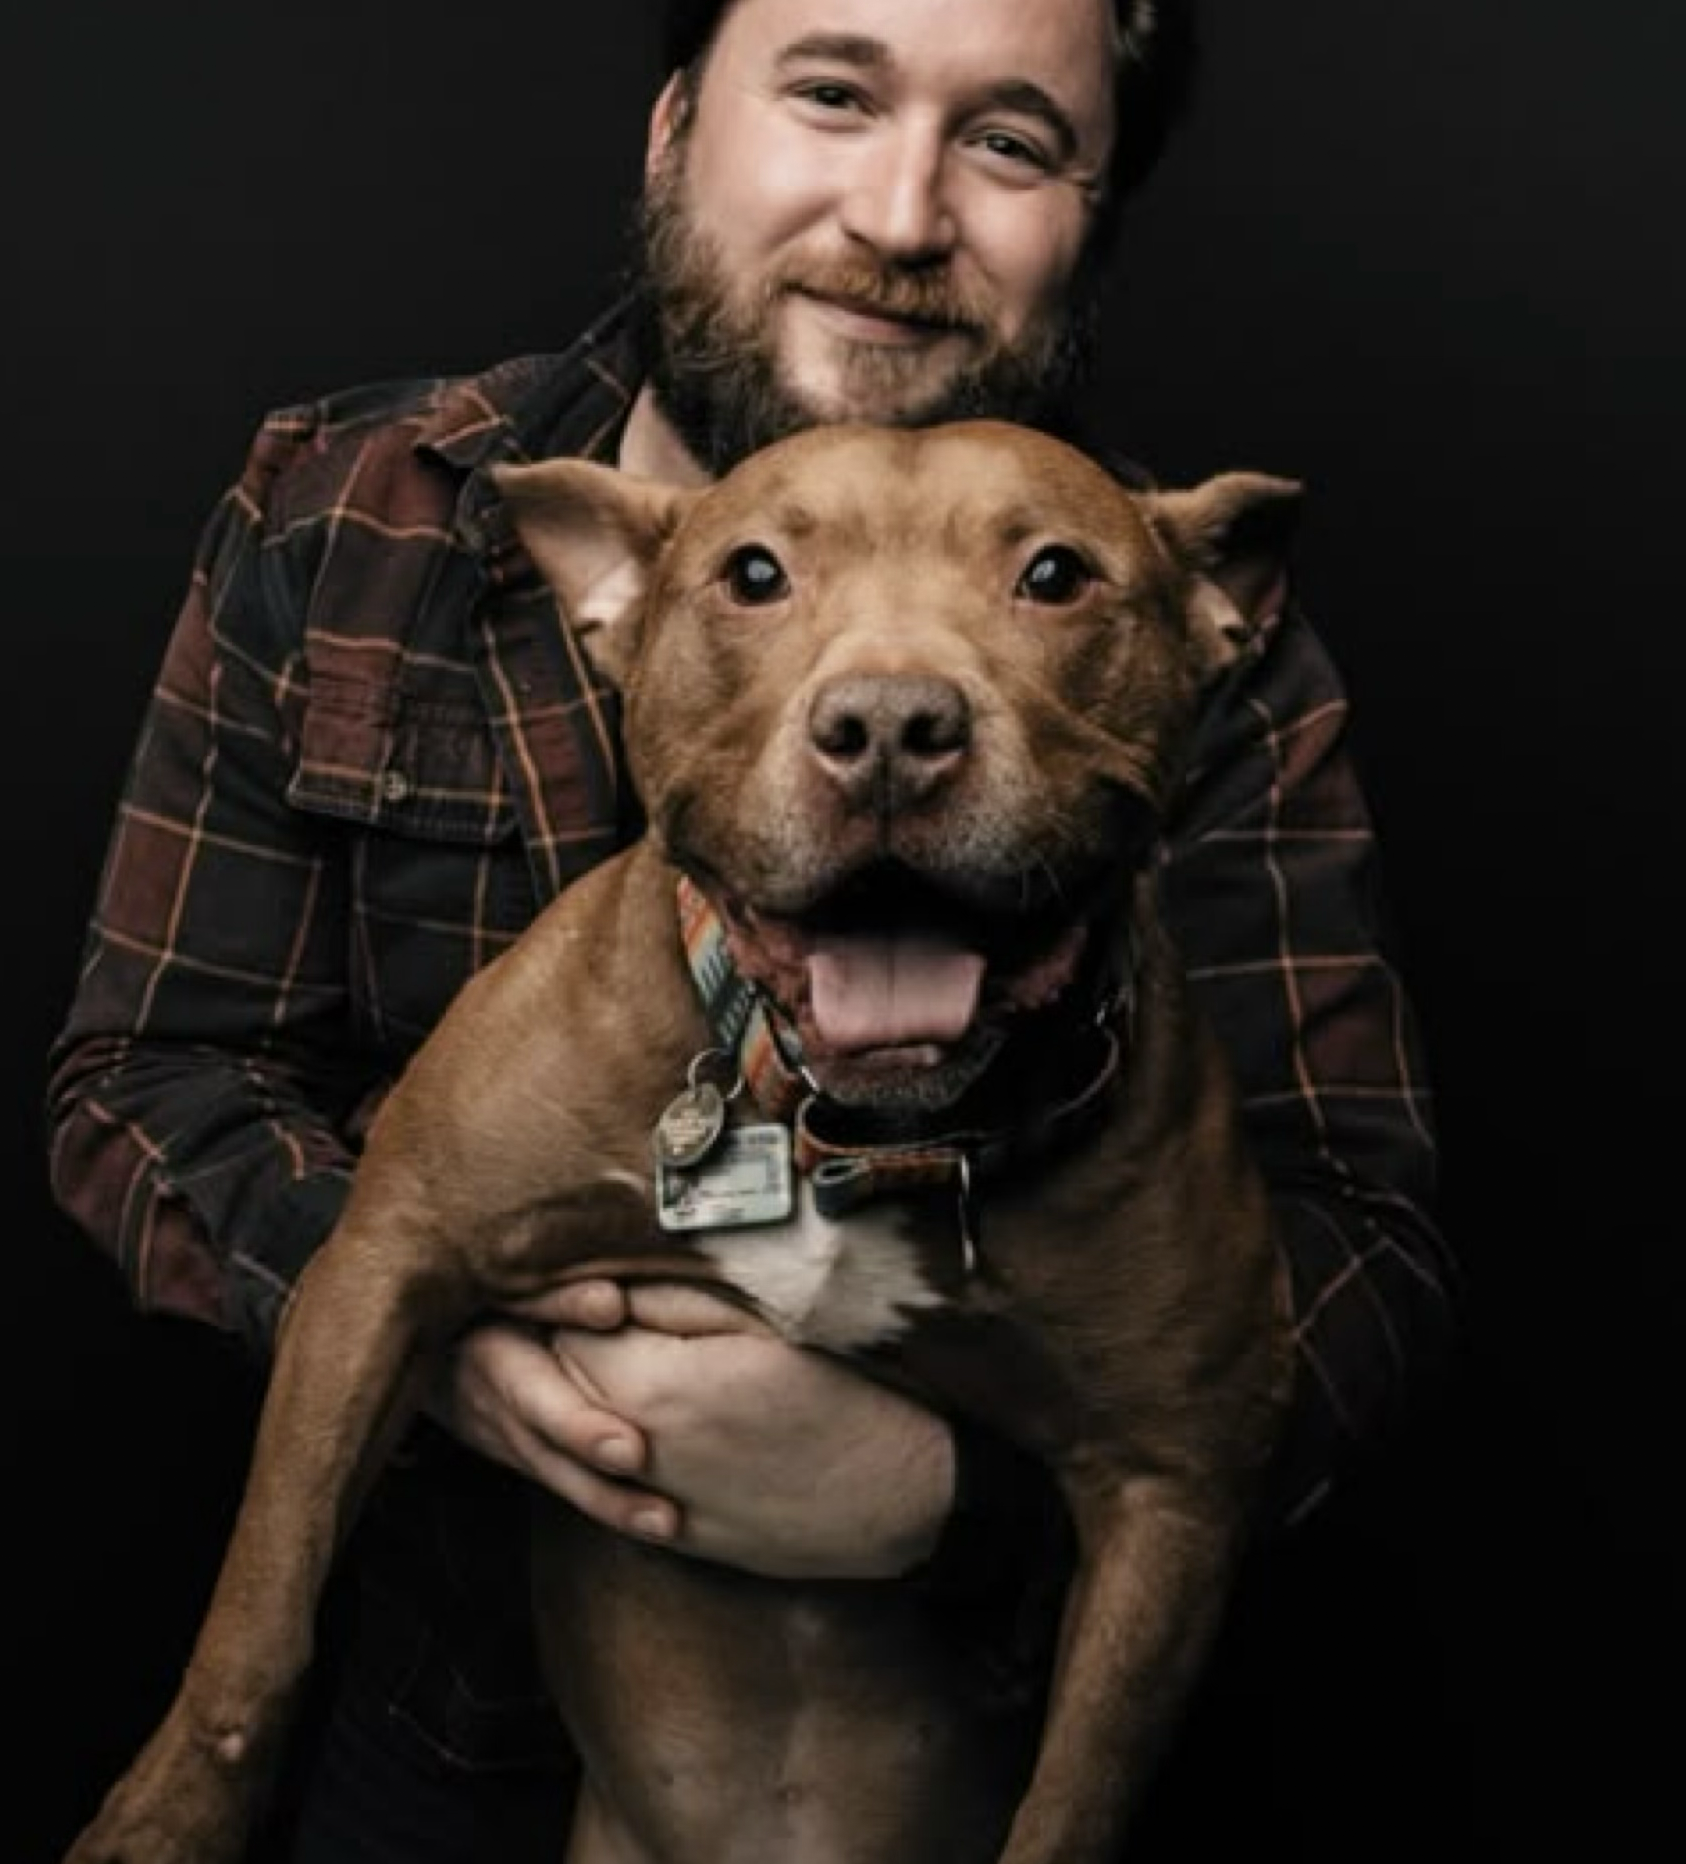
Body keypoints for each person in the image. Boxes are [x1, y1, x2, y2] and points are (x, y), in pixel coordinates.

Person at [45, 0, 1457, 1858]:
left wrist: (945, 1504)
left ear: (1090, 218)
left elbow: (1355, 1247)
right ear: (668, 129)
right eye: (832, 91)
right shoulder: (348, 513)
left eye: (1011, 142)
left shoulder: (1196, 645)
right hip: (431, 1706)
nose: (898, 211)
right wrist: (468, 1360)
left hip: (941, 1737)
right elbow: (149, 1076)